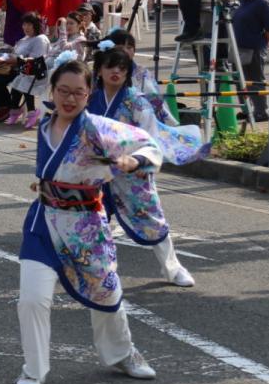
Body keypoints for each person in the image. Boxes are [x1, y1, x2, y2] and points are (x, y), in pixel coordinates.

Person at [14, 55, 161, 384]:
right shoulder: (42, 125)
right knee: (32, 299)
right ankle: (34, 370)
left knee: (107, 294)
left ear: (88, 93)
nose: (69, 99)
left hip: (86, 226)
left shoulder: (98, 128)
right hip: (43, 223)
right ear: (51, 90)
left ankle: (123, 353)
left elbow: (149, 145)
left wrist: (131, 160)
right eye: (63, 91)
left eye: (77, 93)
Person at [88, 42, 205, 287]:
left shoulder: (137, 102)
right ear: (99, 70)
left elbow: (150, 139)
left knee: (153, 221)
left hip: (132, 172)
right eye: (110, 67)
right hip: (98, 173)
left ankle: (173, 269)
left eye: (122, 67)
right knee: (89, 224)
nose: (116, 72)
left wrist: (135, 160)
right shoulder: (90, 99)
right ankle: (91, 272)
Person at [0, 12, 51, 127]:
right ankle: (2, 107)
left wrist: (15, 61)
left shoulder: (40, 39)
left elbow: (37, 60)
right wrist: (1, 60)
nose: (26, 27)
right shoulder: (25, 39)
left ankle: (9, 108)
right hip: (13, 67)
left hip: (27, 71)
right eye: (24, 24)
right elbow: (14, 53)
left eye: (29, 25)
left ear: (36, 25)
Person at [230, 0, 269, 123]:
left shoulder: (261, 3)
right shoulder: (241, 2)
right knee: (239, 81)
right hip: (237, 48)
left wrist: (261, 44)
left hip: (254, 48)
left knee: (255, 80)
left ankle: (261, 111)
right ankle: (246, 110)